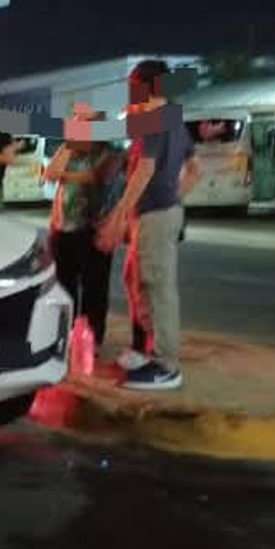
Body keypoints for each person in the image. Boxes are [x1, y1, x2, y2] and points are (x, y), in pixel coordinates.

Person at [97, 60, 202, 391]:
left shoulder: (152, 119)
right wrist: (173, 201)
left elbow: (143, 170)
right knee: (137, 280)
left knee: (157, 286)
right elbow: (195, 169)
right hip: (159, 213)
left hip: (154, 215)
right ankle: (149, 350)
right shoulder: (172, 118)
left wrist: (117, 217)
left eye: (133, 83)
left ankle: (166, 365)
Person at [43, 110, 119, 348]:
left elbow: (93, 176)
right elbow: (50, 173)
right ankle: (63, 337)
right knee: (62, 287)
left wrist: (65, 175)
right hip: (63, 229)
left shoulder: (109, 154)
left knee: (95, 288)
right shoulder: (69, 150)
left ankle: (92, 338)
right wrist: (67, 145)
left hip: (93, 229)